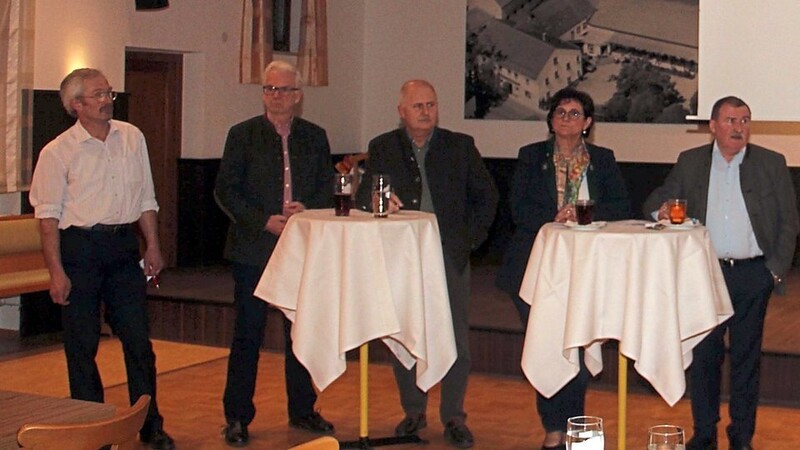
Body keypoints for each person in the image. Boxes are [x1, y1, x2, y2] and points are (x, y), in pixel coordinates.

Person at [28, 68, 174, 450]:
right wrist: (56, 272)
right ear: (76, 105)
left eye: (108, 92)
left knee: (139, 343)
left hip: (124, 248)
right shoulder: (57, 152)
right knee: (82, 346)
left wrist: (153, 246)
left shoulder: (132, 137)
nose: (108, 99)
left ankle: (150, 423)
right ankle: (92, 428)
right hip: (80, 250)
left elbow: (146, 198)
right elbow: (48, 218)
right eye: (98, 94)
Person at [643, 96, 798, 450]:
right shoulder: (691, 162)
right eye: (730, 120)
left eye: (745, 120)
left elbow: (790, 222)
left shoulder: (771, 163)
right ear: (712, 126)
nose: (738, 127)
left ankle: (741, 437)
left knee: (746, 362)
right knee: (705, 360)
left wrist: (773, 270)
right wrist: (661, 211)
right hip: (704, 277)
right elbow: (654, 202)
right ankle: (705, 433)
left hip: (752, 276)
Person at [355, 79, 498, 449]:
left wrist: (468, 242)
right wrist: (377, 199)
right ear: (401, 111)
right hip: (400, 259)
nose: (425, 112)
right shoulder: (383, 147)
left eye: (431, 105)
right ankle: (413, 410)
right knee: (403, 336)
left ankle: (453, 416)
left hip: (449, 254)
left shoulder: (459, 146)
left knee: (455, 339)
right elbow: (363, 196)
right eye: (418, 106)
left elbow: (487, 198)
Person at [495, 87, 631, 450]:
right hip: (536, 268)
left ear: (587, 123)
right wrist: (553, 217)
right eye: (560, 112)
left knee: (579, 349)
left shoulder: (603, 159)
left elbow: (621, 205)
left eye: (575, 113)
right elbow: (518, 208)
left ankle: (575, 429)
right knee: (547, 346)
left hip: (589, 272)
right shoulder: (530, 156)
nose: (566, 118)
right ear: (551, 120)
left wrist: (587, 214)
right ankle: (553, 427)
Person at [215, 60, 335, 447]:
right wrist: (262, 221)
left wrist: (309, 210)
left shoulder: (315, 137)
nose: (275, 96)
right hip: (254, 248)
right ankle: (236, 417)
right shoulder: (242, 134)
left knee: (299, 333)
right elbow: (225, 191)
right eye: (269, 89)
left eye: (283, 90)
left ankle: (302, 409)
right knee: (246, 335)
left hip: (301, 248)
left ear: (297, 96)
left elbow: (325, 188)